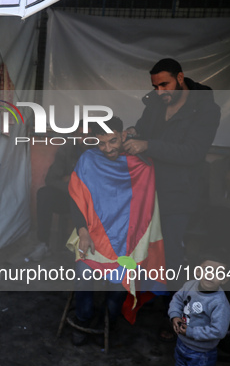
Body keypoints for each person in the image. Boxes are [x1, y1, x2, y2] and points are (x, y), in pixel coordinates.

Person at [68, 117, 165, 346]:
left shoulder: (141, 164)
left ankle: (108, 322)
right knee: (83, 276)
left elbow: (145, 212)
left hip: (126, 240)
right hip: (92, 236)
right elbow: (75, 199)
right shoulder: (88, 160)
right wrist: (82, 230)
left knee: (122, 280)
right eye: (102, 143)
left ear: (123, 136)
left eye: (113, 141)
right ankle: (84, 319)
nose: (108, 148)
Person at [124, 58, 221, 275]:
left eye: (164, 85)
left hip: (179, 194)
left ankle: (169, 304)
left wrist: (147, 144)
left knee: (169, 252)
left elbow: (193, 153)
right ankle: (143, 299)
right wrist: (133, 133)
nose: (159, 92)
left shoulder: (206, 110)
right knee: (142, 249)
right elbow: (143, 130)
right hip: (146, 188)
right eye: (155, 87)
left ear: (179, 78)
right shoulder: (156, 104)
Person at [168, 250, 230, 366]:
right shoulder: (189, 285)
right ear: (198, 271)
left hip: (201, 353)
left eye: (219, 273)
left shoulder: (219, 303)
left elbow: (219, 331)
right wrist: (174, 316)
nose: (211, 275)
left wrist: (190, 332)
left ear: (225, 279)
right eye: (207, 270)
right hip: (181, 342)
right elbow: (177, 299)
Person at [30, 126, 91, 261]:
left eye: (89, 136)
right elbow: (51, 179)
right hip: (71, 197)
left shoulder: (100, 150)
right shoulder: (67, 149)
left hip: (92, 202)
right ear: (75, 135)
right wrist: (73, 186)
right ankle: (44, 244)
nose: (85, 139)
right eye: (82, 135)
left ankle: (94, 249)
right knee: (44, 194)